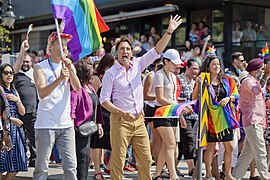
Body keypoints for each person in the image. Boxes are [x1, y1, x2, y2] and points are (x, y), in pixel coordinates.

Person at [100, 15, 182, 180]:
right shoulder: (111, 73)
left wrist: (169, 32)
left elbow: (157, 51)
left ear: (131, 52)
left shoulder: (138, 64)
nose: (125, 51)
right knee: (118, 161)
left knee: (145, 160)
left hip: (139, 121)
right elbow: (104, 100)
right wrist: (120, 112)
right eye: (122, 49)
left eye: (128, 49)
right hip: (120, 121)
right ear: (116, 53)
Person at [33, 31, 81, 179]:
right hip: (46, 124)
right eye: (61, 44)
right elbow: (42, 93)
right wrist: (60, 78)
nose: (65, 48)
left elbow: (78, 88)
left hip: (66, 125)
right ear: (51, 47)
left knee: (71, 166)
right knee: (42, 167)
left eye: (66, 45)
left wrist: (71, 70)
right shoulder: (40, 67)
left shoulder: (68, 65)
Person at [193, 55, 239, 180]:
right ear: (208, 66)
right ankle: (208, 174)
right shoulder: (203, 80)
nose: (217, 66)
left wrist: (228, 98)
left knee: (229, 146)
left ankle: (228, 174)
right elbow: (194, 99)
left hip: (224, 117)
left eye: (218, 64)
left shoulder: (227, 80)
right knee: (211, 148)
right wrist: (197, 85)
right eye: (214, 64)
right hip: (209, 119)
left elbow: (236, 94)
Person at [232, 58, 270, 179]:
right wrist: (265, 75)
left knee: (246, 155)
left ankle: (235, 176)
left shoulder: (253, 80)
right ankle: (265, 176)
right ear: (256, 70)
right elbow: (256, 91)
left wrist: (265, 75)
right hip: (253, 121)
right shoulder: (248, 81)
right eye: (261, 69)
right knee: (261, 151)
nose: (262, 71)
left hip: (256, 122)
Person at [152, 49, 183, 180]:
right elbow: (159, 98)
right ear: (166, 61)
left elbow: (173, 98)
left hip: (172, 113)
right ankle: (173, 175)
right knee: (170, 144)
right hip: (161, 113)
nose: (176, 65)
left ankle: (157, 173)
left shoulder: (173, 76)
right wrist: (177, 107)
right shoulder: (158, 75)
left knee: (168, 145)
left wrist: (179, 114)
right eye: (174, 63)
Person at [71, 60, 104, 180]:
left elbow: (97, 106)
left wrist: (99, 123)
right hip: (79, 130)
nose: (93, 73)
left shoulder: (90, 87)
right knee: (82, 160)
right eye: (91, 70)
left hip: (90, 128)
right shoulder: (76, 88)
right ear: (84, 72)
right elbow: (72, 108)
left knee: (85, 160)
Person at [13, 39, 38, 167]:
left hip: (33, 112)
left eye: (27, 61)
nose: (25, 64)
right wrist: (22, 51)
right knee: (20, 138)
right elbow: (14, 69)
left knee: (34, 138)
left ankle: (34, 160)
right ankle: (21, 160)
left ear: (31, 62)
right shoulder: (15, 74)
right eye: (23, 61)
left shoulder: (35, 73)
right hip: (18, 112)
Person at [0, 63, 27, 179]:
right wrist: (11, 119)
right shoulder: (0, 91)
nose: (9, 75)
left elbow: (23, 112)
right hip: (3, 131)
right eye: (6, 73)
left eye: (11, 73)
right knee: (1, 162)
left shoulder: (14, 91)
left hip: (15, 131)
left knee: (18, 162)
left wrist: (17, 101)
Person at [177, 59, 200, 177]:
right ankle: (192, 168)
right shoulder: (179, 80)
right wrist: (180, 113)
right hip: (181, 115)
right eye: (193, 68)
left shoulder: (196, 82)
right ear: (186, 68)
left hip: (194, 116)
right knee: (189, 139)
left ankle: (172, 167)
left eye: (197, 69)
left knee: (182, 144)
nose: (196, 71)